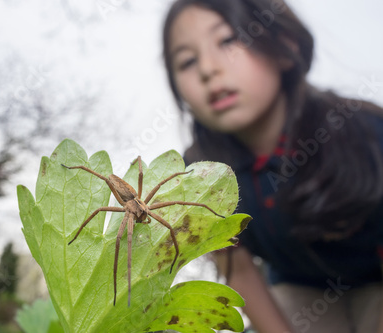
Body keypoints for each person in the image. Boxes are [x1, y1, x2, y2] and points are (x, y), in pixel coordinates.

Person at [161, 0, 383, 332]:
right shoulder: (198, 174)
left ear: (284, 46)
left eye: (228, 40)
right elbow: (237, 268)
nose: (208, 68)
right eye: (187, 61)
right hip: (298, 287)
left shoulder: (363, 129)